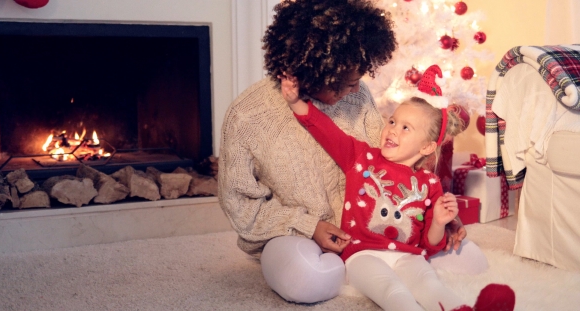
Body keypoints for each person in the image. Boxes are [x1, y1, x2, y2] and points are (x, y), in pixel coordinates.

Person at [218, 0, 487, 304]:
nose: (354, 90)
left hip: (374, 235)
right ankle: (353, 268)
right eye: (345, 85)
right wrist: (309, 226)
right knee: (305, 278)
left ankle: (363, 268)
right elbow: (241, 208)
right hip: (297, 236)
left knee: (472, 260)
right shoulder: (247, 116)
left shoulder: (356, 93)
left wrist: (437, 218)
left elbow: (395, 167)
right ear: (316, 73)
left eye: (357, 81)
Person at [281, 74, 515, 310]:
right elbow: (326, 130)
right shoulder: (361, 157)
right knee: (392, 290)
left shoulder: (430, 183)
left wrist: (440, 222)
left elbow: (430, 244)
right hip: (362, 255)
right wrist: (295, 102)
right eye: (392, 122)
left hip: (409, 255)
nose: (393, 130)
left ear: (426, 147)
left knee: (429, 284)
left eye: (405, 128)